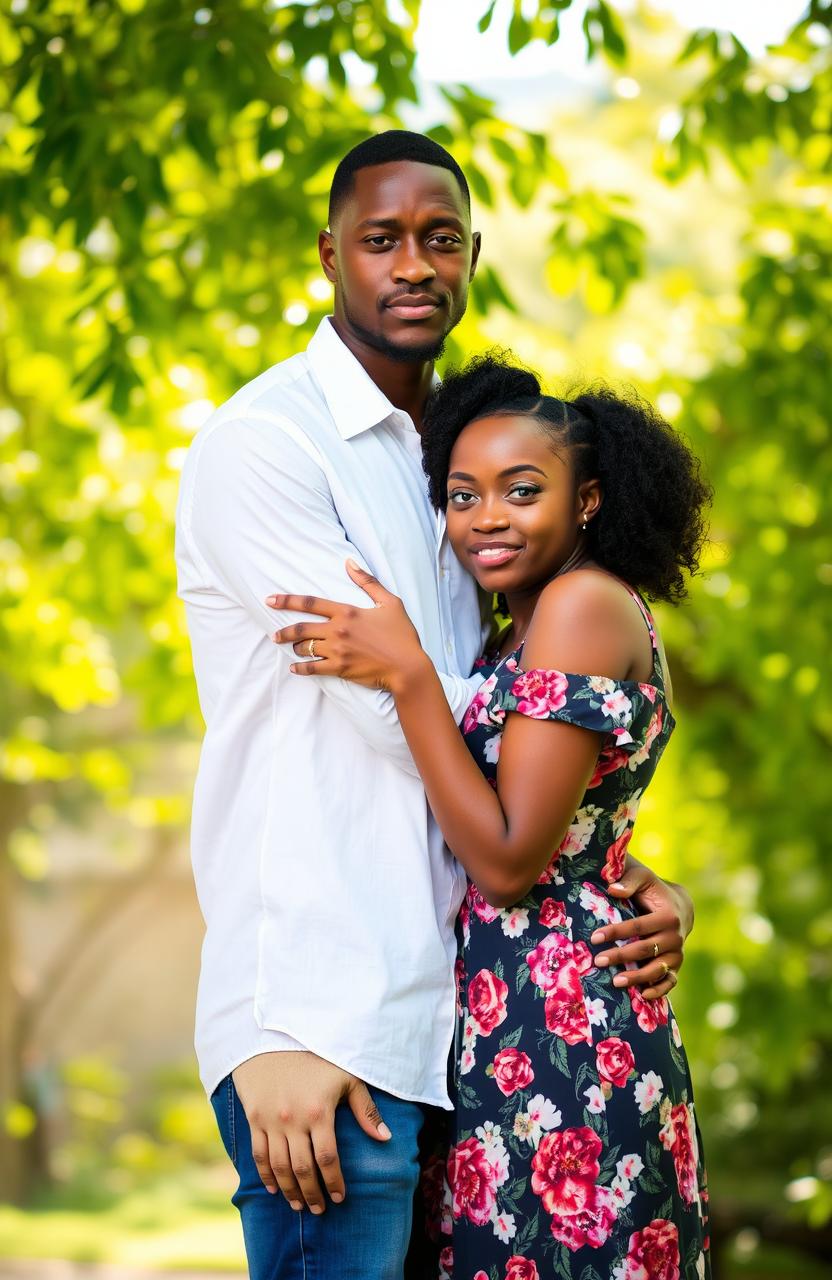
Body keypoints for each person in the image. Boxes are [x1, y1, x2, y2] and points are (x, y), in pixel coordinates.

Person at [176, 131, 695, 1280]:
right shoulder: (269, 446)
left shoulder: (449, 472)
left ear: (470, 256)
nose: (414, 265)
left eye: (441, 238)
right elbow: (376, 707)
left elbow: (498, 729)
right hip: (324, 1022)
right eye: (380, 239)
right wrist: (279, 1032)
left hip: (455, 1030)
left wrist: (601, 854)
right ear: (329, 255)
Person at [269, 354, 712, 1278]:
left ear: (587, 500)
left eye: (521, 490)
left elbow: (511, 861)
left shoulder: (581, 605)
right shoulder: (525, 621)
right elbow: (576, 823)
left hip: (568, 1033)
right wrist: (655, 883)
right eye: (463, 496)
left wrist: (409, 677)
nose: (487, 519)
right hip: (506, 1019)